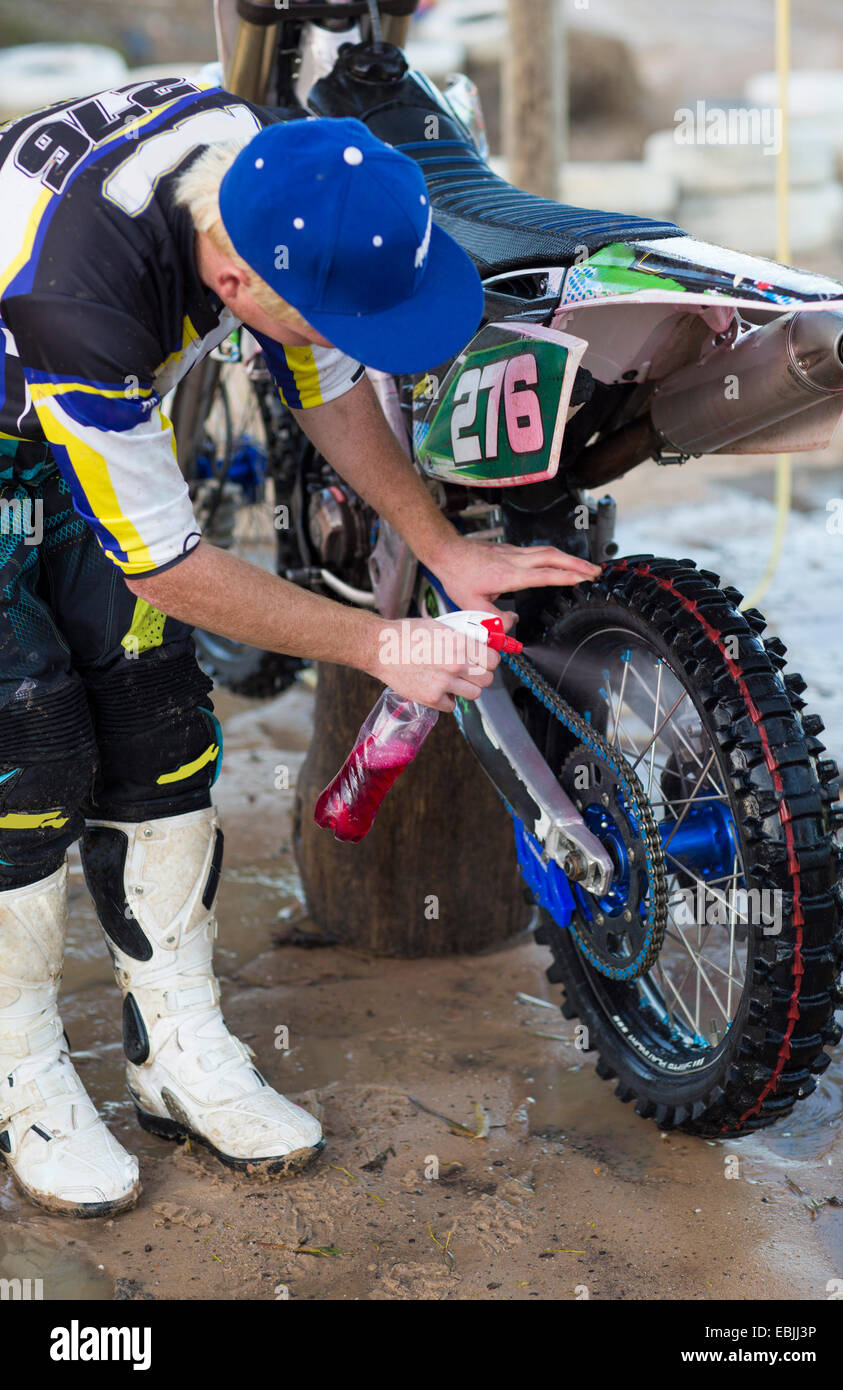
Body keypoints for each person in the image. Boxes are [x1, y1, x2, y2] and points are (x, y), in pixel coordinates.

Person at [0, 76, 598, 1217]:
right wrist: (383, 644)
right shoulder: (87, 300)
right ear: (233, 283)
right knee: (24, 737)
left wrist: (437, 546)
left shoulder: (283, 175)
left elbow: (323, 383)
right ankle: (20, 1064)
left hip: (84, 400)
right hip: (26, 377)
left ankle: (174, 1042)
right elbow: (166, 565)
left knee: (162, 719)